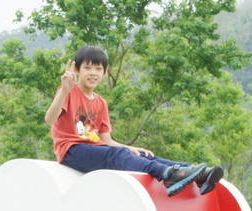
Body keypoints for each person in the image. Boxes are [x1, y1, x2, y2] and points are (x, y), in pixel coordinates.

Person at [44, 45, 224, 197]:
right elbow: (50, 119)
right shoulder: (69, 92)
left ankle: (195, 172)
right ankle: (167, 174)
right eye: (88, 68)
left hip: (96, 148)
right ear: (76, 70)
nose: (93, 73)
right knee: (118, 155)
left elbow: (106, 140)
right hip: (72, 151)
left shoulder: (100, 103)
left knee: (143, 155)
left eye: (98, 69)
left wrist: (131, 148)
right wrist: (64, 91)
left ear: (105, 72)